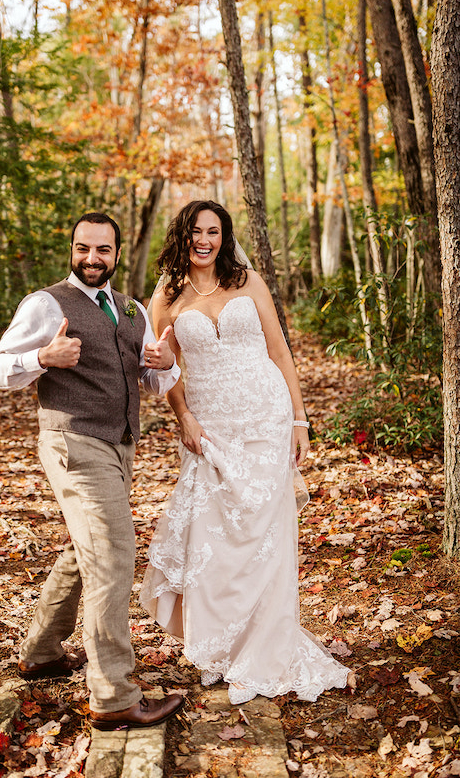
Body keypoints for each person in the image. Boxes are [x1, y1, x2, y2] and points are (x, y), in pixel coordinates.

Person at [139, 200, 350, 705]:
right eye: (196, 231)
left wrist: (299, 421)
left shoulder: (248, 282)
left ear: (225, 236)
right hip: (209, 431)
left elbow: (280, 353)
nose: (204, 240)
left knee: (264, 539)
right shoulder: (167, 294)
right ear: (183, 237)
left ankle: (263, 649)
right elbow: (162, 367)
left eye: (213, 231)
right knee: (214, 539)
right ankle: (220, 648)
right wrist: (183, 415)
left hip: (265, 420)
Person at [0, 212, 185, 730]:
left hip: (119, 446)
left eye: (102, 250)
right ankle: (114, 698)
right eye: (82, 248)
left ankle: (42, 652)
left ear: (118, 253)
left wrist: (164, 366)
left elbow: (152, 379)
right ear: (71, 250)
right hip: (72, 442)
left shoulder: (132, 309)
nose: (91, 259)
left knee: (86, 549)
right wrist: (44, 358)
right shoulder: (46, 303)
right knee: (115, 556)